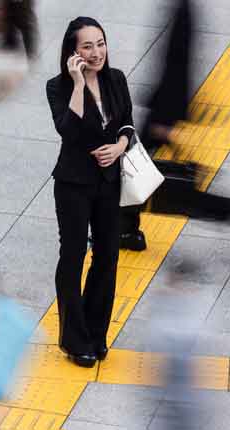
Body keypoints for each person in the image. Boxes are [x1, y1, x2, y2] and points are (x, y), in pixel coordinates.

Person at [45, 16, 134, 368]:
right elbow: (68, 130)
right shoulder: (58, 86)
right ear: (73, 52)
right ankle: (73, 339)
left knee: (108, 255)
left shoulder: (117, 79)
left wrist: (121, 146)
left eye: (100, 43)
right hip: (73, 184)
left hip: (110, 182)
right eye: (87, 46)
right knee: (73, 256)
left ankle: (96, 333)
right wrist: (79, 83)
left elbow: (127, 120)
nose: (96, 52)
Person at [119, 0, 192, 251]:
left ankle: (127, 232)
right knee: (132, 168)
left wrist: (165, 118)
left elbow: (179, 64)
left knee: (131, 169)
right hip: (162, 107)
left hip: (163, 111)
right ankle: (127, 230)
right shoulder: (180, 7)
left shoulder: (183, 10)